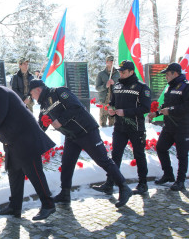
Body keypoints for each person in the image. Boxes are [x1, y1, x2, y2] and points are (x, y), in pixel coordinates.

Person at [29, 79, 132, 208]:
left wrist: (61, 120)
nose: (32, 97)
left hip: (86, 131)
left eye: (32, 93)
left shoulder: (59, 92)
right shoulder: (44, 106)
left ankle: (124, 187)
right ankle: (65, 194)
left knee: (102, 160)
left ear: (38, 89)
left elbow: (75, 106)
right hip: (72, 136)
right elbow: (41, 126)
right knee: (67, 164)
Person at [0, 77, 56, 220]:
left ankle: (48, 205)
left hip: (26, 139)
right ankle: (15, 207)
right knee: (14, 174)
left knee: (34, 173)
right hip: (14, 142)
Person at [93, 60, 151, 195]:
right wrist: (111, 110)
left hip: (135, 127)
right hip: (119, 127)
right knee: (115, 155)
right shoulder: (117, 85)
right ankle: (110, 183)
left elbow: (146, 107)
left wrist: (126, 112)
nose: (121, 73)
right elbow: (113, 102)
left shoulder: (141, 87)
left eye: (123, 71)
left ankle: (143, 183)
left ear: (131, 72)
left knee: (139, 154)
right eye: (120, 71)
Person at [148, 63, 189, 191]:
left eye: (167, 74)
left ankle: (180, 180)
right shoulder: (169, 87)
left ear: (175, 74)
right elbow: (166, 105)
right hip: (169, 126)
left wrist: (170, 110)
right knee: (161, 147)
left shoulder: (186, 87)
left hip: (182, 126)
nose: (166, 76)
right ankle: (168, 174)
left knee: (181, 155)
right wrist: (157, 113)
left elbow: (186, 107)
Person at [95, 55, 119, 127]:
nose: (111, 63)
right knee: (103, 122)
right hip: (104, 100)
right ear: (106, 62)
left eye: (113, 61)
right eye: (110, 61)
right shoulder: (101, 74)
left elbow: (122, 86)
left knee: (113, 122)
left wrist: (114, 83)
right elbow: (97, 88)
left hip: (114, 100)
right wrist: (106, 86)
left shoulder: (118, 74)